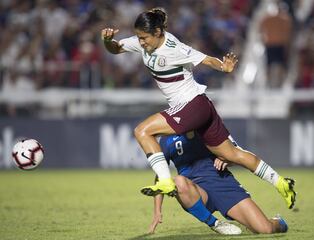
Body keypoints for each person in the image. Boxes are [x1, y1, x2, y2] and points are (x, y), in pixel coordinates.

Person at [101, 7, 296, 209]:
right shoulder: (144, 42)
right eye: (138, 37)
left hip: (192, 106)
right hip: (201, 108)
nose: (141, 42)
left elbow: (205, 59)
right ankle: (281, 183)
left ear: (158, 32)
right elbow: (116, 48)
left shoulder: (173, 47)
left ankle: (166, 182)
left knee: (142, 131)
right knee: (232, 154)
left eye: (144, 38)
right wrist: (108, 41)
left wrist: (223, 66)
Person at [148, 131, 288, 235]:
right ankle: (215, 223)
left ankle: (278, 222)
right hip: (194, 190)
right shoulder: (166, 139)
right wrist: (157, 211)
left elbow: (237, 154)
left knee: (265, 229)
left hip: (221, 183)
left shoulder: (208, 125)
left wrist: (227, 159)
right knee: (178, 182)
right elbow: (161, 176)